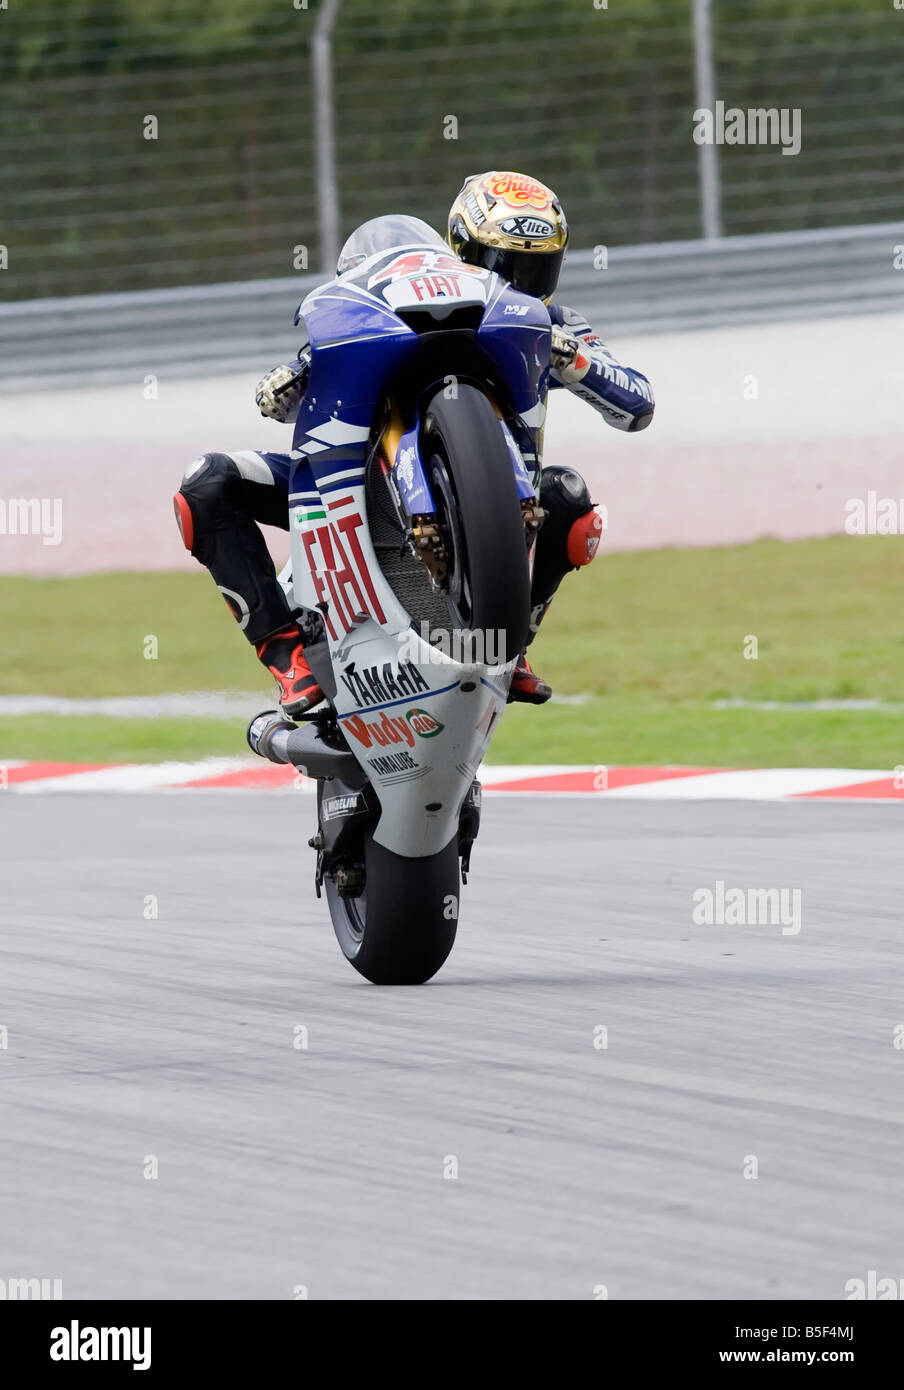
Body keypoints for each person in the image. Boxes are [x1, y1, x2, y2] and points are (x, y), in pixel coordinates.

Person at [174, 171, 654, 715]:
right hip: (350, 482)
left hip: (500, 490)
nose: (520, 281)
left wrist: (573, 357)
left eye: (537, 266)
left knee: (569, 495)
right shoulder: (384, 309)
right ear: (458, 250)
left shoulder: (555, 322)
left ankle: (513, 647)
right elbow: (287, 403)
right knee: (206, 485)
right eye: (504, 264)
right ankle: (289, 658)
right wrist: (295, 372)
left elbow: (639, 404)